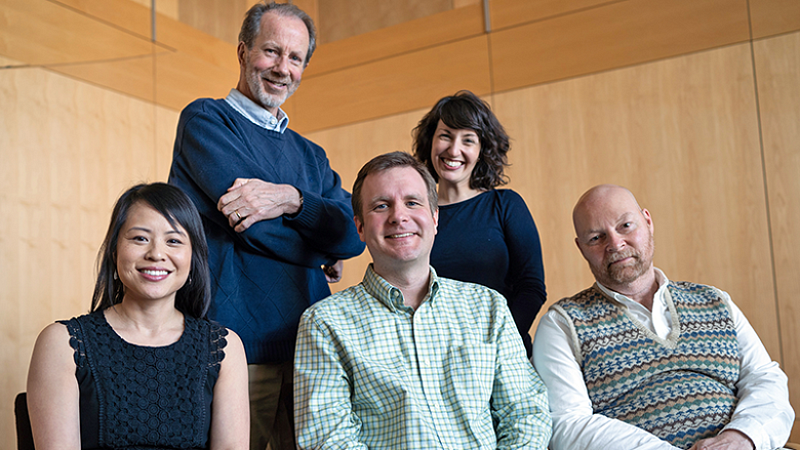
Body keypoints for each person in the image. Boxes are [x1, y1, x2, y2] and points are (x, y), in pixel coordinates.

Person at [168, 2, 365, 449]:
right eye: (271, 52)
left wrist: (291, 200)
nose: (282, 68)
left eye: (295, 58)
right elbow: (251, 227)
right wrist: (321, 251)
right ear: (242, 52)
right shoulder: (206, 120)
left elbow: (354, 234)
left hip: (312, 354)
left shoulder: (312, 156)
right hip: (235, 350)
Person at [294, 151, 552, 449]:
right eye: (381, 206)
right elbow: (327, 440)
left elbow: (525, 413)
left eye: (412, 203)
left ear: (434, 218)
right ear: (360, 228)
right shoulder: (324, 324)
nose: (399, 216)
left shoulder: (488, 307)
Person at [532, 184, 794, 450]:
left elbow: (764, 378)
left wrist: (741, 438)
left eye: (625, 226)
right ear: (581, 248)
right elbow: (567, 424)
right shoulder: (563, 324)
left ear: (647, 221)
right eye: (596, 238)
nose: (615, 243)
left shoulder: (714, 300)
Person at [27, 182, 249, 449]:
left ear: (193, 257)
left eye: (174, 241)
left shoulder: (224, 348)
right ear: (114, 250)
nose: (156, 254)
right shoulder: (62, 343)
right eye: (140, 238)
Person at [412, 90, 546, 357]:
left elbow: (531, 288)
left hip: (502, 353)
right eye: (445, 136)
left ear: (482, 149)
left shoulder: (505, 205)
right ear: (431, 142)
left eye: (468, 140)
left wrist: (492, 344)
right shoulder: (416, 214)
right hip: (434, 358)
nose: (454, 150)